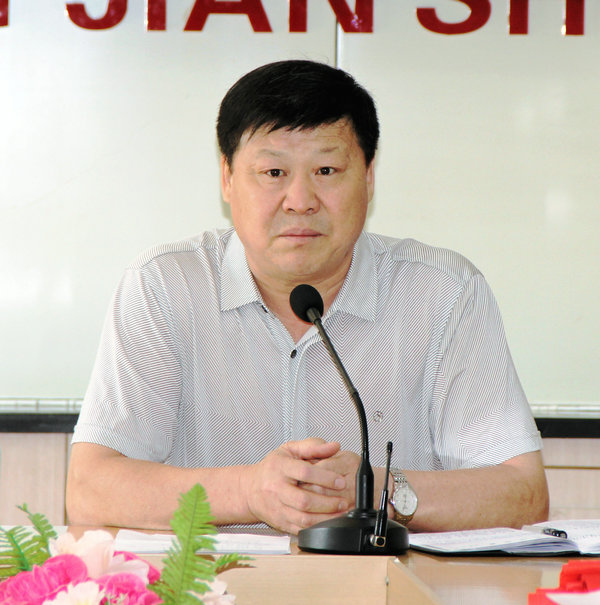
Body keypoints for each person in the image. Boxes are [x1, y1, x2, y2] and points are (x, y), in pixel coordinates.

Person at [66, 60, 548, 534]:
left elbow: (522, 492)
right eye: (274, 172)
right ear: (227, 178)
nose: (300, 200)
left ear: (369, 177)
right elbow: (90, 490)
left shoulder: (443, 293)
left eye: (326, 169)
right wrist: (248, 492)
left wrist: (374, 490)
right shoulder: (166, 287)